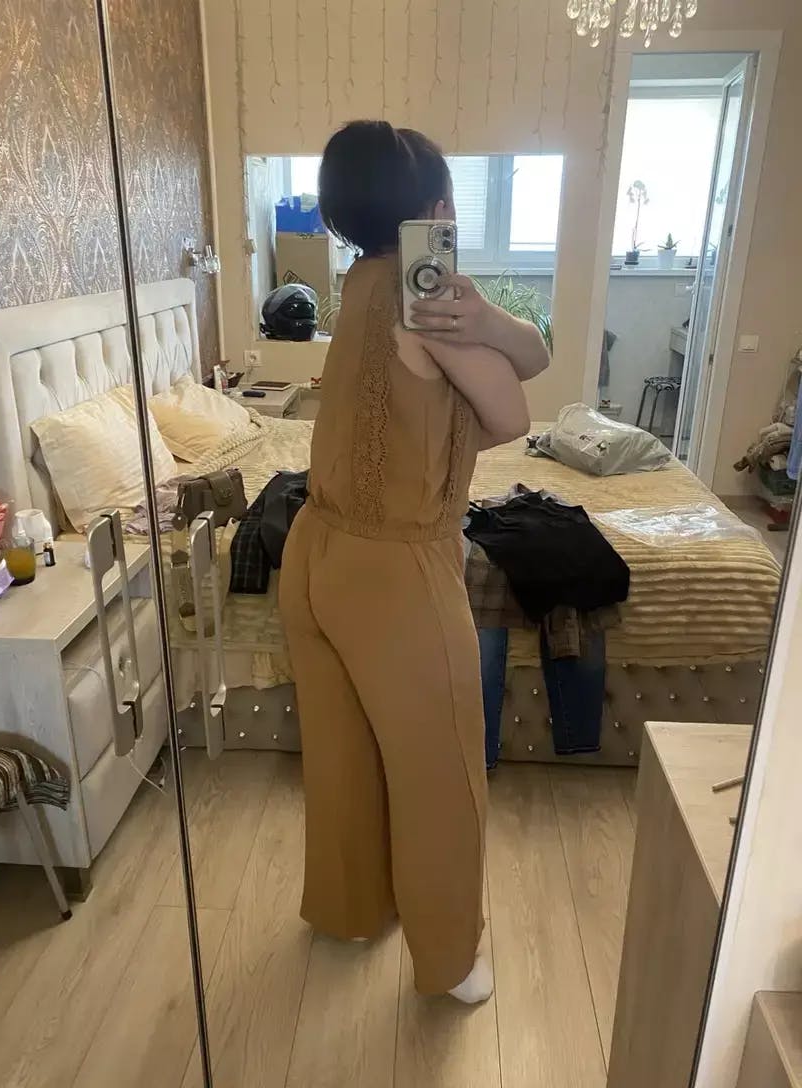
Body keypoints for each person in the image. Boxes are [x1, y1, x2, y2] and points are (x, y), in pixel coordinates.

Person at [279, 120, 549, 1003]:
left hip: (314, 552)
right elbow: (513, 413)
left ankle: (349, 907)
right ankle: (451, 961)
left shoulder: (358, 279)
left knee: (342, 753)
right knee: (442, 777)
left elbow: (526, 354)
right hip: (394, 571)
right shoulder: (426, 296)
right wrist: (479, 332)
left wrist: (488, 321)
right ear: (434, 210)